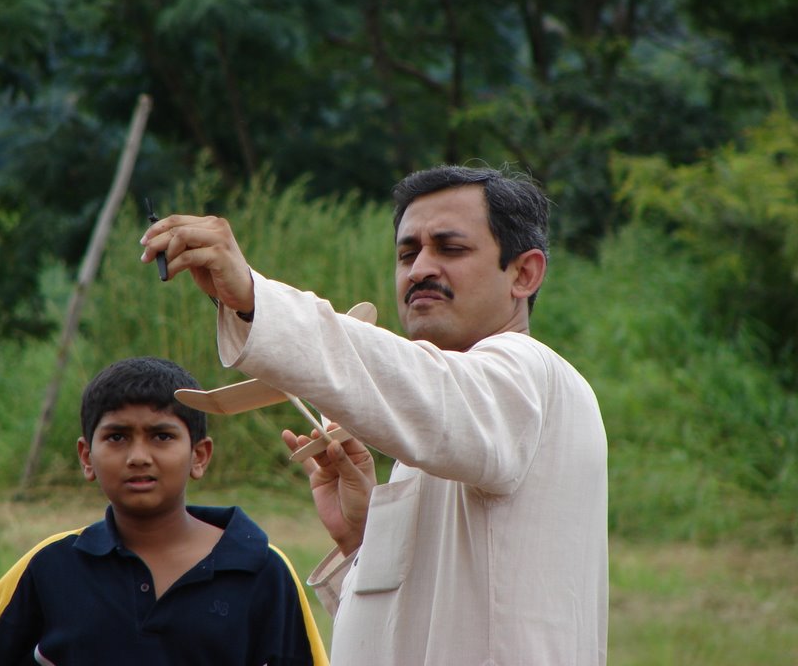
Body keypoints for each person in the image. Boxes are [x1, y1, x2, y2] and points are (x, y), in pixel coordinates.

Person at [140, 164, 609, 665]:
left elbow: (421, 386)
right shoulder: (455, 411)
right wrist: (363, 538)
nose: (420, 269)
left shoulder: (528, 375)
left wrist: (257, 300)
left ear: (524, 273)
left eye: (450, 248)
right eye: (408, 253)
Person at [0, 356, 328, 666]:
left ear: (199, 456)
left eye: (161, 436)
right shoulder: (51, 566)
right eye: (117, 437)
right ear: (87, 457)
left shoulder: (264, 571)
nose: (138, 456)